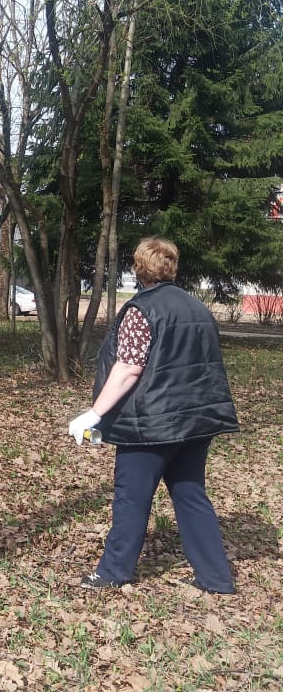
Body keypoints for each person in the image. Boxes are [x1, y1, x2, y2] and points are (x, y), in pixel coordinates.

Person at [68, 236, 238, 593]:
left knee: (131, 498)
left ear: (139, 268)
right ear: (171, 267)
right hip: (195, 422)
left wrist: (93, 414)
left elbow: (129, 368)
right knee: (191, 494)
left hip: (150, 425)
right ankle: (217, 578)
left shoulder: (140, 310)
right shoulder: (198, 309)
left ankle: (113, 572)